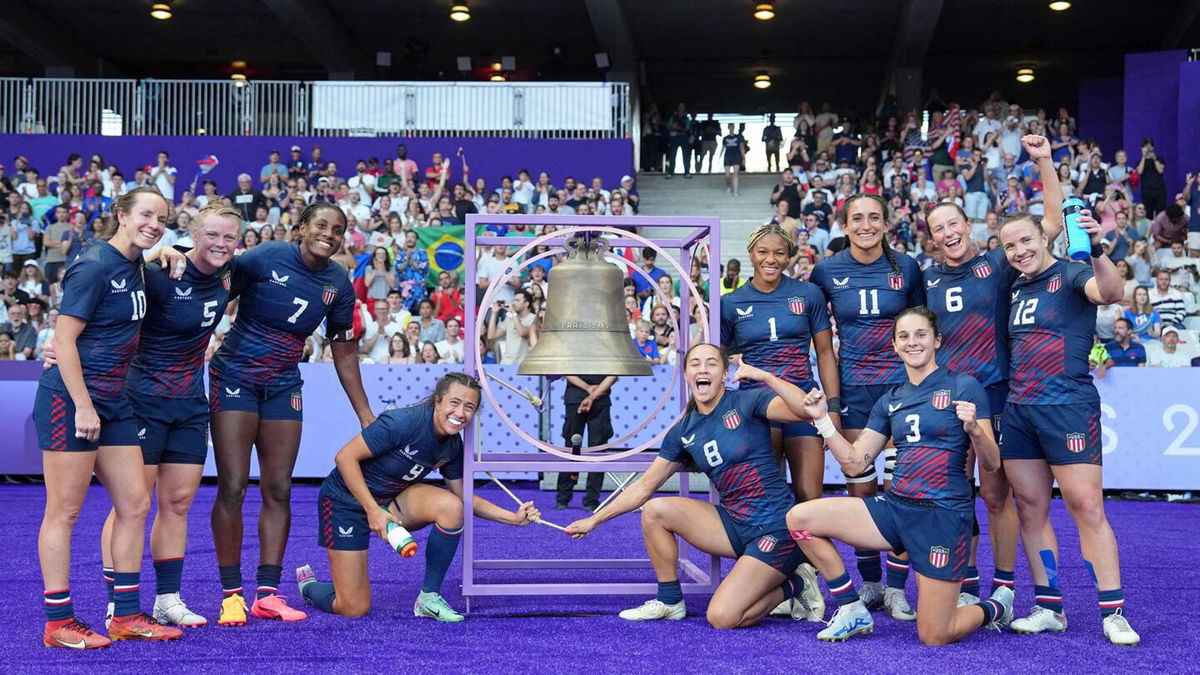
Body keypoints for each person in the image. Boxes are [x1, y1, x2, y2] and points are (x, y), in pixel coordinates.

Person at [163, 202, 375, 627]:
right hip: (234, 377)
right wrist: (167, 255)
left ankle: (268, 594)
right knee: (234, 486)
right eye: (320, 225)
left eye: (338, 230)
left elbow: (345, 354)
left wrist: (366, 416)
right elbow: (210, 283)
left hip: (283, 385)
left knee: (278, 488)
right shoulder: (266, 257)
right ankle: (231, 596)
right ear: (300, 227)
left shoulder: (338, 282)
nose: (329, 235)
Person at [785, 307, 1009, 644]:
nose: (912, 342)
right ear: (894, 345)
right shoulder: (891, 400)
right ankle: (851, 607)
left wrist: (975, 431)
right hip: (894, 509)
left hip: (942, 516)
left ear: (937, 340)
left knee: (935, 634)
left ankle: (995, 607)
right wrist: (822, 420)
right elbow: (855, 463)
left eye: (921, 334)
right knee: (800, 518)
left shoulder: (965, 387)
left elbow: (992, 464)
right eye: (904, 336)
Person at [565, 344, 824, 629]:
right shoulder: (683, 431)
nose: (703, 369)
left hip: (776, 528)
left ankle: (797, 583)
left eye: (712, 364)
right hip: (734, 525)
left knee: (722, 617)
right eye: (695, 364)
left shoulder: (748, 401)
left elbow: (805, 410)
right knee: (655, 510)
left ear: (724, 373)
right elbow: (643, 488)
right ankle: (670, 601)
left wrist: (766, 377)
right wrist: (594, 519)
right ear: (686, 374)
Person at [34, 187, 181, 648]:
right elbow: (64, 341)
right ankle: (59, 623)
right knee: (65, 511)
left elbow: (176, 250)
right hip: (72, 400)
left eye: (161, 218)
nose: (154, 224)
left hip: (116, 401)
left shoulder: (138, 263)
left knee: (135, 504)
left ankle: (127, 615)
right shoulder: (94, 264)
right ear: (121, 215)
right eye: (145, 215)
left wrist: (170, 252)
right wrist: (82, 404)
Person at [922, 134, 1065, 609]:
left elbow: (1050, 225)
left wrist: (1043, 161)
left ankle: (1003, 588)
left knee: (997, 495)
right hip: (947, 398)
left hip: (997, 393)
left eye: (953, 223)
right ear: (933, 237)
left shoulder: (998, 264)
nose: (947, 233)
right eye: (938, 228)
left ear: (968, 225)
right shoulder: (927, 279)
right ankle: (964, 583)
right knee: (953, 495)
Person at [997, 202, 1140, 645]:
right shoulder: (1016, 288)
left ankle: (1113, 612)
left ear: (1045, 238)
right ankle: (1049, 607)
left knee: (1086, 507)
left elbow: (1112, 292)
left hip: (1068, 408)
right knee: (1029, 509)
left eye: (1026, 241)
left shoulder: (1073, 273)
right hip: (1020, 411)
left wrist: (1096, 248)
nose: (1019, 251)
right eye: (1010, 246)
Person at [94, 205, 239, 628]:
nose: (220, 244)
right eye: (211, 235)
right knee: (130, 505)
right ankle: (116, 602)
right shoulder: (160, 273)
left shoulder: (229, 276)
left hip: (191, 404)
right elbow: (109, 292)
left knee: (177, 504)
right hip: (140, 401)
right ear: (192, 233)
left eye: (229, 238)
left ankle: (167, 599)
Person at [295, 373, 537, 621]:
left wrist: (513, 518)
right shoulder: (402, 422)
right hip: (344, 501)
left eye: (469, 407)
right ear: (438, 401)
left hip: (391, 500)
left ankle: (428, 598)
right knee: (353, 607)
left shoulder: (452, 447)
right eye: (454, 403)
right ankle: (309, 586)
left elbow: (465, 498)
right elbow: (344, 458)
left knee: (452, 507)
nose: (461, 413)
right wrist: (373, 510)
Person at [809, 193, 924, 616]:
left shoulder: (907, 267)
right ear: (844, 225)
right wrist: (833, 404)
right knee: (861, 489)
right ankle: (872, 584)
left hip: (902, 389)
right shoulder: (826, 271)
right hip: (855, 390)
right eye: (857, 218)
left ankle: (896, 588)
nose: (866, 225)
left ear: (886, 223)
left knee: (902, 491)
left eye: (874, 217)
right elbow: (819, 339)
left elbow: (922, 330)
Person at [556, 374, 617, 510]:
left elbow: (614, 373)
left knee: (596, 450)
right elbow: (566, 370)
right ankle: (567, 498)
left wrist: (592, 393)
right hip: (585, 395)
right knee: (573, 449)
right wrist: (591, 390)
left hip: (597, 396)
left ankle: (586, 499)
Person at [721, 124, 743, 197]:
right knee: (727, 175)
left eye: (732, 127)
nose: (731, 128)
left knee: (735, 174)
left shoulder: (738, 137)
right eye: (730, 127)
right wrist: (719, 156)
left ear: (734, 128)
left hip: (736, 156)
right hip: (727, 156)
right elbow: (723, 148)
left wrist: (743, 157)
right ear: (728, 128)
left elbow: (741, 147)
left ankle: (735, 191)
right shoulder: (725, 138)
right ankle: (729, 186)